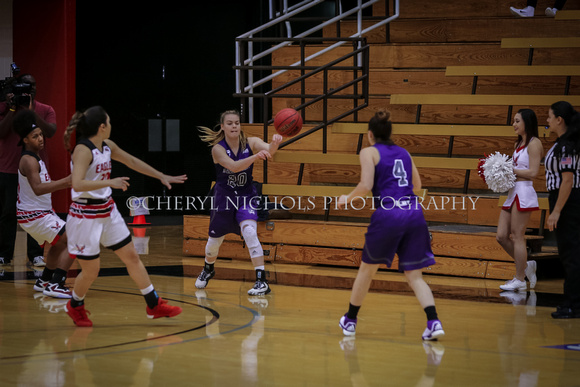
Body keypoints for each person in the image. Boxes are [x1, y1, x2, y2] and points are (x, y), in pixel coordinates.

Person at [63, 106, 187, 327]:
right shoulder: (83, 150)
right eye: (109, 122)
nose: (111, 125)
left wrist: (161, 175)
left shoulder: (107, 146)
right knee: (91, 271)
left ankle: (153, 303)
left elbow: (131, 161)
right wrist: (110, 182)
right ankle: (75, 305)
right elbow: (77, 183)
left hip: (107, 211)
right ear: (102, 127)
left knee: (131, 256)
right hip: (84, 216)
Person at [337, 109, 444, 341]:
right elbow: (417, 184)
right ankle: (433, 321)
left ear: (370, 134)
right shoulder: (404, 152)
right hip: (414, 213)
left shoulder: (368, 152)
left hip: (389, 213)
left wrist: (347, 198)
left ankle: (351, 320)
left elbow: (365, 185)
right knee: (415, 276)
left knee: (367, 270)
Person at [195, 110, 283, 296]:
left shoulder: (251, 142)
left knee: (250, 232)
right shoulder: (217, 149)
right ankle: (208, 268)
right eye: (230, 123)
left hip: (246, 196)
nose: (234, 126)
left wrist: (274, 144)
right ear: (223, 127)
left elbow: (268, 150)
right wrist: (255, 157)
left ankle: (261, 281)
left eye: (237, 122)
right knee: (214, 243)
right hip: (224, 199)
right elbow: (234, 168)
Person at [13, 109, 74, 298]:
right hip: (34, 215)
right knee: (77, 239)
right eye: (34, 136)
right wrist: (67, 181)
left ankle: (45, 280)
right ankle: (56, 284)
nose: (40, 139)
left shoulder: (34, 157)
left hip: (39, 213)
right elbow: (38, 188)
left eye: (40, 135)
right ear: (25, 140)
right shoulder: (28, 161)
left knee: (59, 244)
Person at [0, 74, 56, 267]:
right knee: (7, 212)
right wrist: (13, 108)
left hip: (36, 168)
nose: (29, 90)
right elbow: (1, 132)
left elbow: (50, 131)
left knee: (39, 210)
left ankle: (36, 254)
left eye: (32, 86)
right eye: (24, 87)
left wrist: (31, 113)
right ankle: (4, 254)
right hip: (8, 167)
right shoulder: (6, 107)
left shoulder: (45, 109)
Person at [497, 109, 543, 292]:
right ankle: (527, 266)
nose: (514, 124)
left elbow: (533, 173)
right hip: (512, 192)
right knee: (501, 236)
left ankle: (520, 279)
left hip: (524, 193)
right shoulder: (519, 143)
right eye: (513, 121)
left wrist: (509, 170)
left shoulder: (534, 143)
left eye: (517, 121)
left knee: (517, 236)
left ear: (527, 122)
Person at [543, 101, 580, 319]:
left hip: (567, 200)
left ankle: (573, 304)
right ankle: (572, 301)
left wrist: (556, 211)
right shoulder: (563, 143)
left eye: (549, 117)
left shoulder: (566, 145)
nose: (547, 121)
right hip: (565, 199)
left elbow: (567, 180)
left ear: (560, 119)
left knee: (571, 254)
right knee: (570, 253)